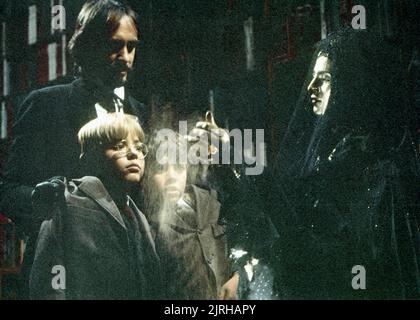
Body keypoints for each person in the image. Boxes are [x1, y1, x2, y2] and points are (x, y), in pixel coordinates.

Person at [0, 0, 147, 298]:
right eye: (115, 46)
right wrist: (40, 200)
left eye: (131, 47)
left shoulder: (141, 113)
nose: (125, 58)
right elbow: (7, 191)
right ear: (88, 46)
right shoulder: (46, 105)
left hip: (130, 274)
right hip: (64, 274)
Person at [271, 29, 420, 299]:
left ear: (349, 84)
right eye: (313, 77)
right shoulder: (331, 146)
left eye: (324, 79)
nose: (311, 87)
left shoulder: (363, 158)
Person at [29, 113, 161, 299]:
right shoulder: (66, 202)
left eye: (139, 147)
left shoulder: (137, 215)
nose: (133, 153)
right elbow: (49, 281)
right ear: (92, 155)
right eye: (119, 145)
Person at [142, 133, 240, 300]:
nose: (172, 176)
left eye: (179, 167)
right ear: (146, 174)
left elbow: (241, 244)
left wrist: (237, 277)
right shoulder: (146, 226)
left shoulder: (212, 202)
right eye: (161, 169)